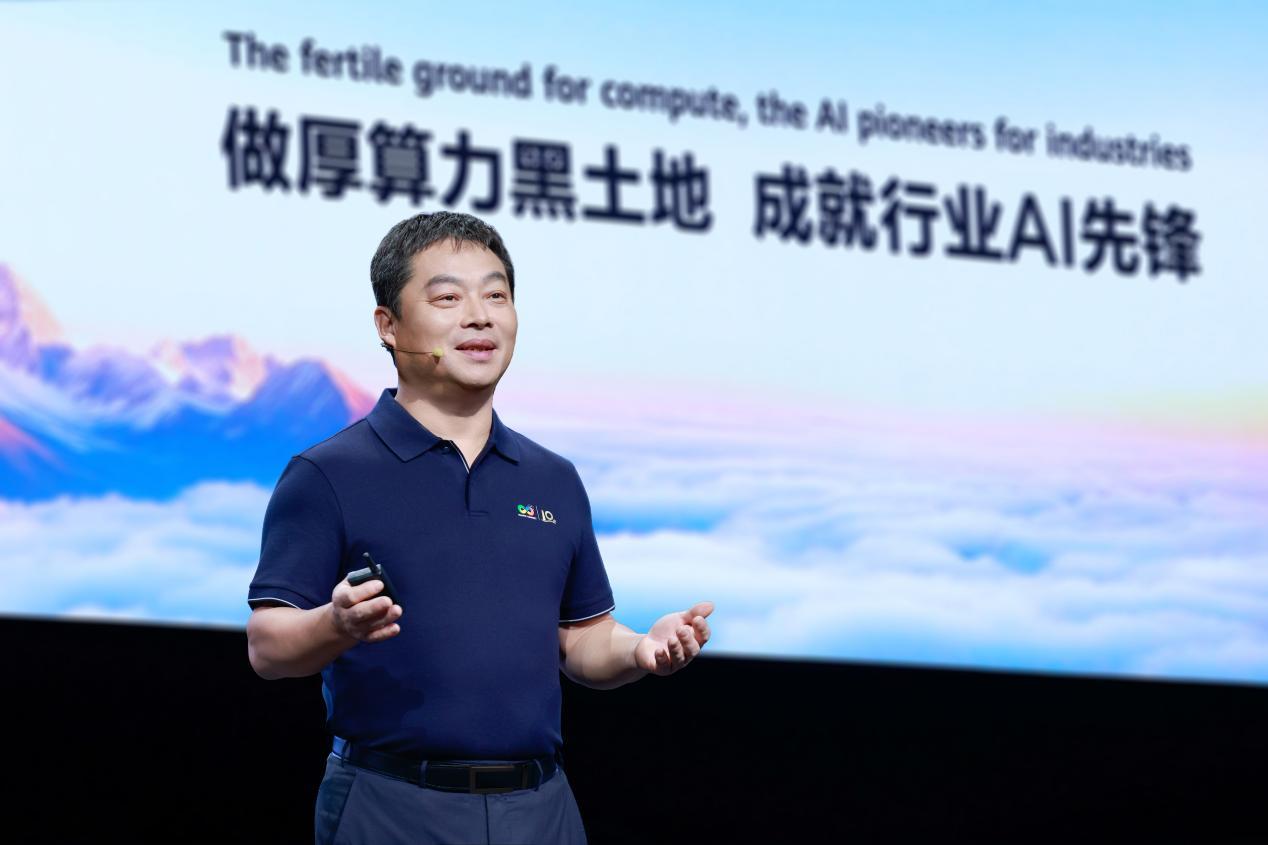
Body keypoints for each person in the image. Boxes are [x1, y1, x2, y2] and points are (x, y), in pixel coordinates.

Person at [245, 211, 714, 845]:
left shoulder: (553, 479)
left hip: (542, 807)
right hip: (391, 804)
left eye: (496, 296)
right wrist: (336, 624)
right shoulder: (328, 474)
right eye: (448, 298)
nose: (479, 317)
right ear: (388, 325)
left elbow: (581, 640)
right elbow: (267, 648)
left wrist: (640, 651)